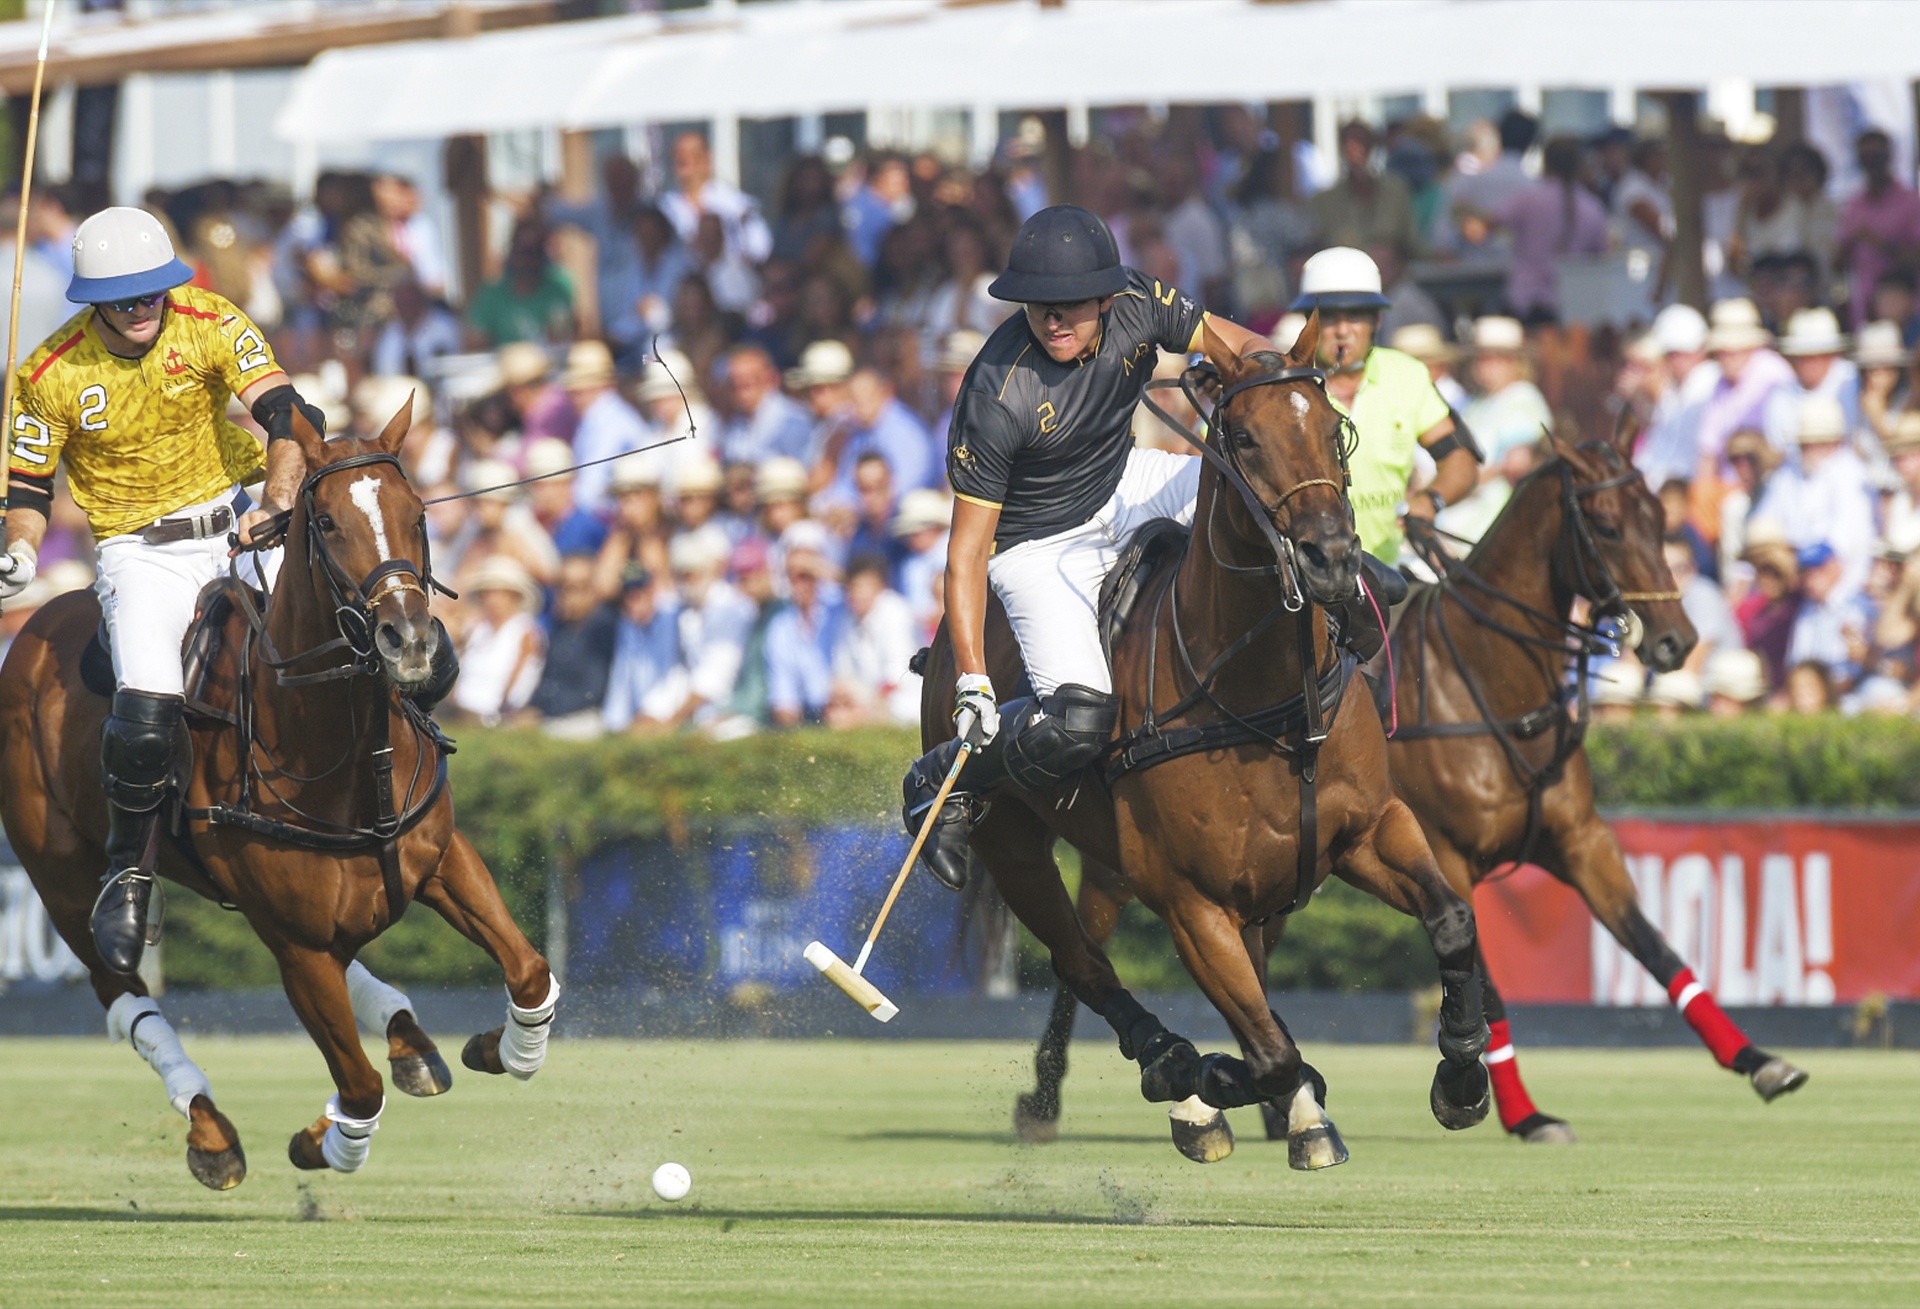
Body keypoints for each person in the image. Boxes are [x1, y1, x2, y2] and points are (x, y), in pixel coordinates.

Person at [898, 205, 1290, 891]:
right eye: (1040, 306)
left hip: (1125, 481)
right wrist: (970, 677)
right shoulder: (996, 390)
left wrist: (1254, 386)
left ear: (1108, 298)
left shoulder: (1141, 300)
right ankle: (941, 778)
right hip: (1037, 544)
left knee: (1257, 491)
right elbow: (966, 554)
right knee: (1078, 721)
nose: (1053, 321)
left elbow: (1245, 348)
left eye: (1070, 306)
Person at [0, 207, 326, 975]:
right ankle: (129, 871)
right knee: (147, 702)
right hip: (138, 551)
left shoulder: (208, 317)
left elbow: (288, 412)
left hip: (240, 519)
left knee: (338, 630)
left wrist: (279, 502)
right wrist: (17, 548)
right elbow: (29, 487)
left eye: (155, 293)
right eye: (128, 299)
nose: (146, 309)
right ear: (95, 302)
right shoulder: (49, 373)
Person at [1287, 247, 1478, 575]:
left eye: (1356, 316)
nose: (1343, 330)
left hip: (1389, 569)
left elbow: (1460, 458)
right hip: (1303, 574)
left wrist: (1432, 500)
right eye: (1329, 317)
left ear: (1376, 320)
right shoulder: (1279, 384)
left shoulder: (1407, 374)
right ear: (1308, 323)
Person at [1481, 136, 1609, 324]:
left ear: (1546, 162)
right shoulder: (1592, 207)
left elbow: (1488, 225)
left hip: (1524, 300)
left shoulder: (1528, 199)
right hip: (1570, 304)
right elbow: (1601, 257)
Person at [524, 553, 620, 737]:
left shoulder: (604, 628)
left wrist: (541, 712)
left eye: (574, 588)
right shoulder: (560, 627)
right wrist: (531, 708)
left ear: (592, 590)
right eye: (561, 587)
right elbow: (548, 680)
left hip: (586, 718)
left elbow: (592, 691)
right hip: (553, 717)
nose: (566, 595)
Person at [1837, 129, 1920, 328]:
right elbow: (1838, 261)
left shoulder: (1910, 202)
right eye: (1866, 158)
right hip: (1865, 308)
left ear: (1889, 157)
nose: (1872, 163)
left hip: (1905, 310)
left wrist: (1880, 243)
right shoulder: (1854, 204)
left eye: (1877, 157)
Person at [451, 556, 546, 725]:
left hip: (494, 715)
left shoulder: (525, 630)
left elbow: (523, 679)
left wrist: (502, 713)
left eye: (499, 593)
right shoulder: (476, 629)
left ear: (514, 596)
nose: (492, 599)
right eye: (487, 593)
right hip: (460, 711)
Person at [1308, 121, 1419, 263]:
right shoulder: (1324, 201)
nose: (1356, 150)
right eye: (1349, 144)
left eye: (1361, 143)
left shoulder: (1396, 191)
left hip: (1393, 277)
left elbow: (1413, 243)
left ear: (1372, 146)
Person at [557, 339, 648, 513]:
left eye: (578, 389)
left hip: (612, 513)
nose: (573, 396)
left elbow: (589, 494)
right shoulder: (597, 418)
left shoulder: (610, 422)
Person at [660, 131, 772, 271]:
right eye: (681, 160)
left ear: (707, 159)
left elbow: (760, 249)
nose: (689, 164)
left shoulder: (736, 204)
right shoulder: (664, 208)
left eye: (695, 157)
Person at [764, 547, 844, 727]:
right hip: (811, 714)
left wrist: (823, 569)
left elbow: (862, 585)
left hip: (847, 705)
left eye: (806, 575)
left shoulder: (840, 608)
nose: (800, 584)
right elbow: (782, 693)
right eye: (793, 576)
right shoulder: (781, 626)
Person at [601, 565, 685, 734]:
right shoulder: (627, 626)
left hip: (672, 715)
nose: (632, 602)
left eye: (638, 595)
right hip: (639, 721)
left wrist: (651, 712)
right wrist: (614, 725)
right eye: (628, 596)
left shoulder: (672, 618)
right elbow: (621, 680)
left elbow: (671, 674)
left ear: (652, 590)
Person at [1461, 316, 1554, 465]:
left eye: (1495, 358)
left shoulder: (1523, 398)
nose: (1485, 366)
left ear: (1514, 362)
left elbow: (1516, 464)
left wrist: (1466, 480)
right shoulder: (1477, 402)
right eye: (1481, 358)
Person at [1763, 308, 1860, 451]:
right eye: (1804, 356)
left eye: (1821, 355)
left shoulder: (1851, 381)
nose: (1813, 363)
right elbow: (1778, 448)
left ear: (1834, 355)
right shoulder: (1781, 395)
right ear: (1793, 359)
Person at [717, 344, 814, 467]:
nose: (741, 390)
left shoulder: (793, 420)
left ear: (768, 378)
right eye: (734, 384)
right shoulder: (736, 423)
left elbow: (801, 473)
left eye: (748, 382)